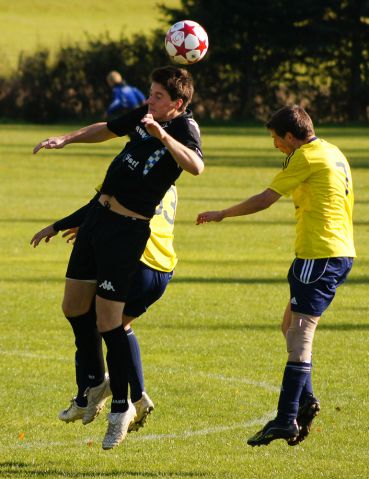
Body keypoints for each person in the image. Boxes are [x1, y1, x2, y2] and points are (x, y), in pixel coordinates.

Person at [33, 65, 204, 450]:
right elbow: (107, 128)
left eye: (158, 96)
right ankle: (96, 384)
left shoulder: (184, 129)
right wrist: (67, 139)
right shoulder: (143, 115)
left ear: (177, 103)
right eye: (150, 92)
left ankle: (123, 407)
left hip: (126, 232)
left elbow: (196, 166)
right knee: (74, 307)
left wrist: (163, 135)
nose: (150, 99)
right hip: (97, 218)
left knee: (110, 323)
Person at [197, 105, 355, 447]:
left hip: (320, 254)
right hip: (335, 252)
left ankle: (286, 419)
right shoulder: (332, 150)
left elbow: (266, 198)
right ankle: (305, 402)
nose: (275, 146)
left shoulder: (306, 156)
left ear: (289, 136)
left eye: (276, 139)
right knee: (288, 326)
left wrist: (222, 213)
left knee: (300, 335)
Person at [30, 185, 178, 433]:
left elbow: (102, 205)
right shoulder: (169, 180)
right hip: (162, 267)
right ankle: (136, 397)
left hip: (136, 262)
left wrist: (60, 226)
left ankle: (96, 393)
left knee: (97, 322)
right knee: (117, 325)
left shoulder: (137, 171)